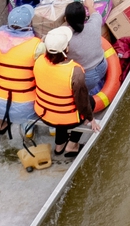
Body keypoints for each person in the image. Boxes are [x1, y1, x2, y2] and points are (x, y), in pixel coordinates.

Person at [25, 25, 101, 163]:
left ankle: (59, 147)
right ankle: (72, 145)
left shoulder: (39, 61)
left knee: (60, 113)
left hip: (44, 114)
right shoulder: (75, 72)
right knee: (90, 102)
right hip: (66, 118)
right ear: (66, 50)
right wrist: (91, 119)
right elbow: (82, 103)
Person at [0, 5, 43, 142]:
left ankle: (4, 123)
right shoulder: (37, 45)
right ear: (29, 24)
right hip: (26, 106)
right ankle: (27, 126)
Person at [64, 0, 123, 113]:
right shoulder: (94, 24)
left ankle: (90, 94)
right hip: (102, 66)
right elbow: (95, 14)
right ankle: (100, 84)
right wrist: (90, 5)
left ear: (66, 20)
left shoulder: (66, 40)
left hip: (87, 78)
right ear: (84, 16)